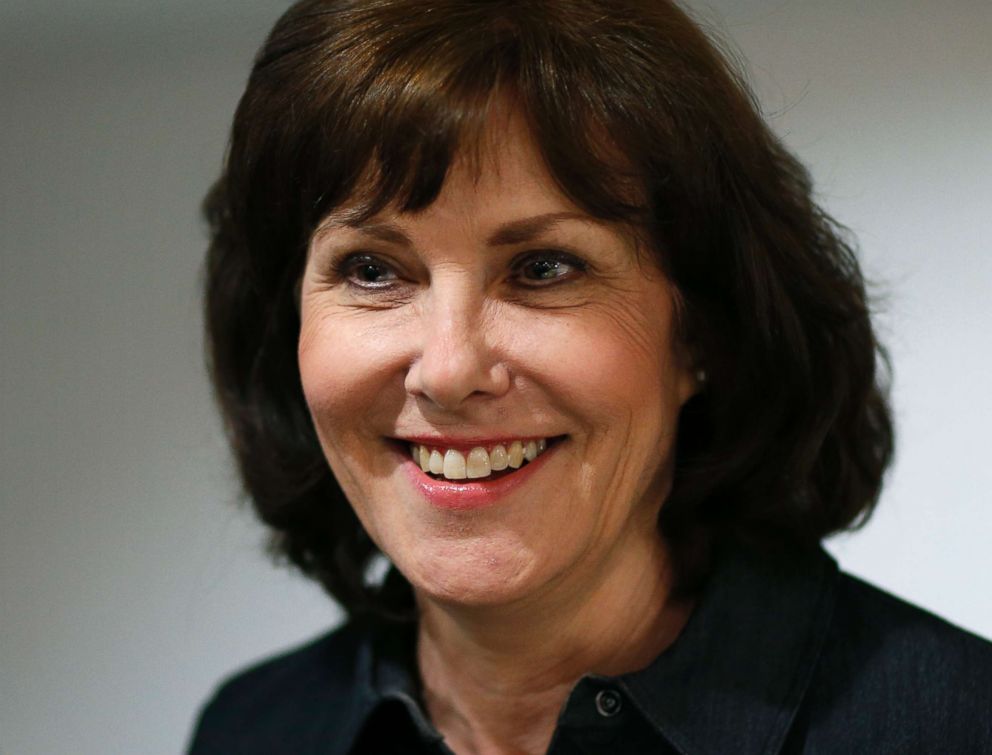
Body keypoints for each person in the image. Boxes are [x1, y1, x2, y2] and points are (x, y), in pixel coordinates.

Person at [188, 1, 992, 753]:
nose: (449, 369)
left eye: (543, 267)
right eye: (372, 269)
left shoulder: (955, 723)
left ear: (702, 330)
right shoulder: (253, 730)